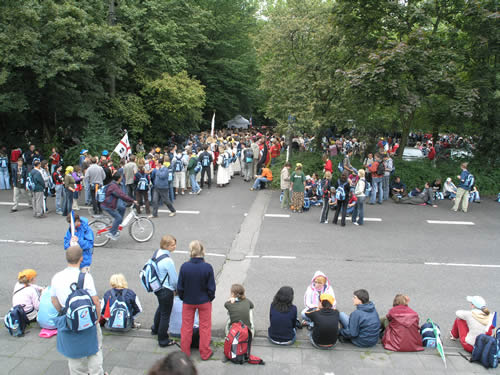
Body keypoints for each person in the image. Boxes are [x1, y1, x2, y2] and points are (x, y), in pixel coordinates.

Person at [50, 246, 106, 375]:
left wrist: (64, 313)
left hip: (69, 321)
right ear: (81, 258)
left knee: (74, 355)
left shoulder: (57, 277)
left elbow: (54, 300)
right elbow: (96, 301)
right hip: (87, 319)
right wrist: (97, 318)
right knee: (95, 350)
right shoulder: (86, 277)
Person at [177, 240, 216, 360]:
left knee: (186, 327)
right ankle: (205, 352)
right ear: (202, 251)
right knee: (205, 327)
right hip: (204, 301)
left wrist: (184, 297)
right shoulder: (207, 267)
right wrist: (209, 298)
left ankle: (185, 352)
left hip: (188, 301)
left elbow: (180, 287)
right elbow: (211, 288)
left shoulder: (184, 267)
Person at [149, 235, 178, 347]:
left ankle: (155, 328)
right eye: (172, 245)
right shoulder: (168, 261)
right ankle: (163, 339)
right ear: (166, 246)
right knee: (166, 314)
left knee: (161, 308)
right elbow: (174, 279)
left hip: (157, 287)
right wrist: (176, 289)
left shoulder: (157, 253)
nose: (175, 246)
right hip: (166, 290)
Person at [101, 174, 137, 240]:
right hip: (108, 205)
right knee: (118, 218)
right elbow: (121, 195)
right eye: (121, 178)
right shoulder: (114, 186)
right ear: (119, 179)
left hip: (108, 203)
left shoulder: (113, 184)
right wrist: (132, 200)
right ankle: (111, 233)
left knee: (122, 208)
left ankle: (116, 227)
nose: (122, 179)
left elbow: (121, 195)